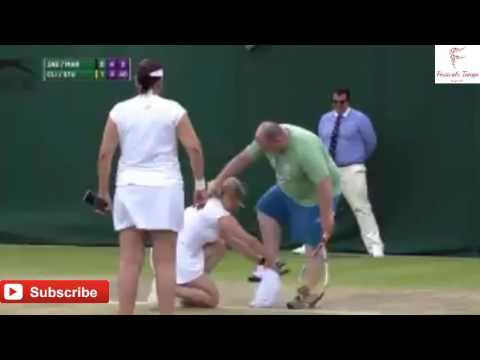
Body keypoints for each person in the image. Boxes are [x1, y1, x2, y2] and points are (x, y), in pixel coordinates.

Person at [96, 59, 207, 315]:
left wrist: (103, 192)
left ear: (137, 81)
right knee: (166, 262)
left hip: (129, 188)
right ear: (160, 82)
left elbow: (105, 154)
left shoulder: (119, 111)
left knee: (129, 261)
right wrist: (200, 184)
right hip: (165, 190)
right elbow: (194, 148)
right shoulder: (173, 109)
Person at [209, 122, 341, 310]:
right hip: (288, 188)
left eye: (267, 148)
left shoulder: (306, 148)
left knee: (314, 244)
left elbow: (324, 183)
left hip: (317, 195)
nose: (263, 152)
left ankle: (308, 292)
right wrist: (218, 180)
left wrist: (327, 217)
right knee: (265, 209)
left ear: (279, 139)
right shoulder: (266, 140)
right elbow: (242, 159)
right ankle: (272, 264)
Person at [147, 177, 269, 309]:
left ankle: (186, 289)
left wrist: (261, 261)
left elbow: (235, 243)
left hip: (164, 254)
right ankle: (167, 287)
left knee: (219, 246)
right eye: (236, 201)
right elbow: (249, 240)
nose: (235, 207)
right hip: (175, 258)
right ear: (229, 197)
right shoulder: (217, 212)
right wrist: (273, 259)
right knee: (212, 299)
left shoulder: (209, 205)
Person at [314, 88, 384, 258]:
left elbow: (371, 143)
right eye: (335, 102)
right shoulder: (325, 119)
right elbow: (320, 142)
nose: (338, 105)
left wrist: (356, 159)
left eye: (342, 102)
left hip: (352, 168)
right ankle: (314, 244)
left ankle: (375, 248)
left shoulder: (360, 119)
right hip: (328, 169)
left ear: (348, 101)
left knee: (361, 207)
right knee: (322, 208)